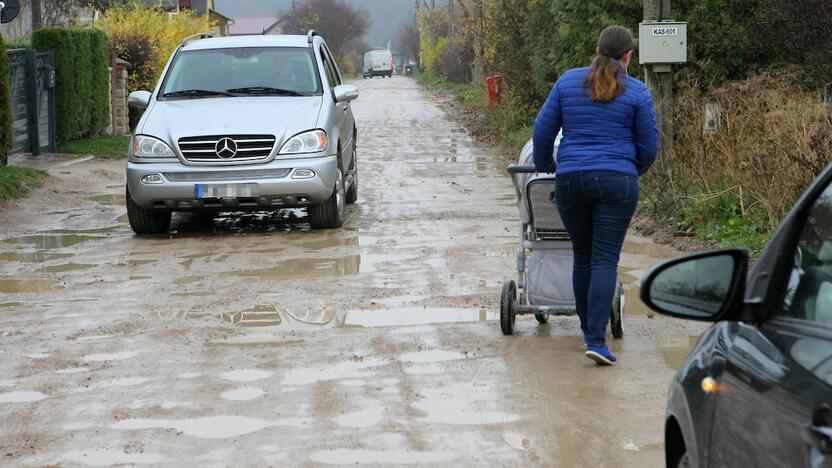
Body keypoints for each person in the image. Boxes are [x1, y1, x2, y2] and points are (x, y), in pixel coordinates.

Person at [532, 25, 659, 366]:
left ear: (598, 48)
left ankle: (590, 334)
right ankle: (595, 340)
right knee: (604, 259)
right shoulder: (637, 92)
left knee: (583, 256)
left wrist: (546, 165)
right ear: (628, 56)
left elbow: (542, 130)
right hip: (617, 181)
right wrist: (630, 171)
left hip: (572, 179)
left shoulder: (568, 81)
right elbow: (649, 146)